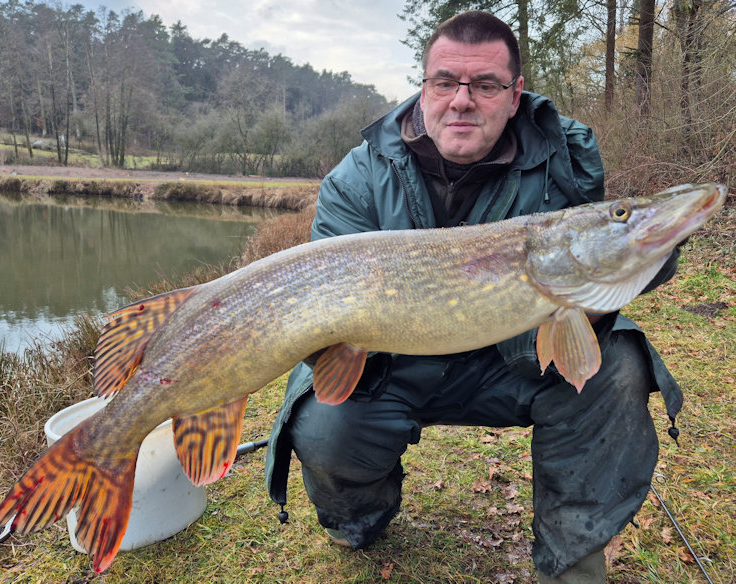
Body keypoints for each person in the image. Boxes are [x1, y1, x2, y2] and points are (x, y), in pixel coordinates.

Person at [265, 11, 683, 583]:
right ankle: (358, 519)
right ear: (424, 89)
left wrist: (657, 247)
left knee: (616, 369)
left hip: (512, 364)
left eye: (485, 85)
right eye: (445, 82)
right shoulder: (357, 179)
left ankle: (573, 562)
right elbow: (325, 308)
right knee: (324, 424)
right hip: (394, 367)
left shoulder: (561, 165)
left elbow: (598, 259)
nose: (462, 101)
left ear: (514, 96)